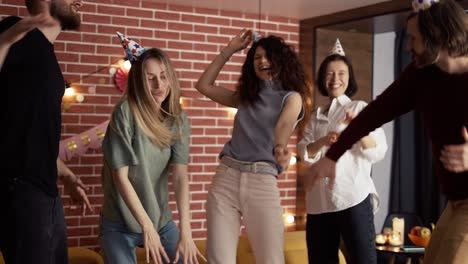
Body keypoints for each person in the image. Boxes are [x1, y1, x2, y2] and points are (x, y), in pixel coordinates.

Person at [305, 0, 468, 263]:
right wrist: (331, 156)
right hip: (456, 201)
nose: (408, 46)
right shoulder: (421, 75)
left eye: (413, 38)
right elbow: (372, 115)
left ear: (436, 37)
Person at [195, 29, 309, 264]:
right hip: (226, 178)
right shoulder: (246, 96)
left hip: (262, 182)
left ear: (281, 61)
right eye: (257, 58)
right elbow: (204, 85)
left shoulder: (292, 97)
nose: (263, 62)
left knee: (271, 260)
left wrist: (280, 147)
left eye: (268, 57)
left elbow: (284, 124)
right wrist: (229, 50)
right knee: (219, 259)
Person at [99, 33, 205, 264]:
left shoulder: (178, 119)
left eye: (164, 77)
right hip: (120, 221)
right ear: (138, 80)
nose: (159, 85)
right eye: (151, 78)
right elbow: (120, 177)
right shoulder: (125, 112)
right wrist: (146, 227)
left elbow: (180, 177)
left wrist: (186, 231)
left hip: (160, 219)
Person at [0, 0, 92, 263]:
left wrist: (64, 173)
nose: (79, 2)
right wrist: (6, 39)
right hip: (20, 191)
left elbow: (28, 131)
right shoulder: (14, 30)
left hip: (46, 191)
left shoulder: (47, 55)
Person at [297, 39, 387, 264]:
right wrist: (323, 141)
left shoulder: (359, 108)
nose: (335, 79)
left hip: (352, 197)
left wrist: (357, 128)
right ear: (322, 78)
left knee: (363, 260)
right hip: (319, 204)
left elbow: (378, 150)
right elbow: (304, 152)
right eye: (329, 73)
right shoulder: (316, 115)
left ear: (349, 78)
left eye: (341, 73)